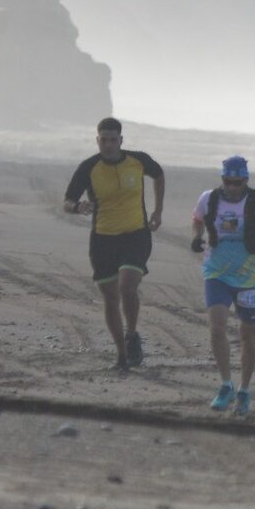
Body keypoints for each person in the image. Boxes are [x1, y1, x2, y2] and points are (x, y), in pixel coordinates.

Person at [63, 116, 165, 371]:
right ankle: (121, 354)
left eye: (113, 140)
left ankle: (132, 335)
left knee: (128, 286)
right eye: (103, 140)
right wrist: (78, 207)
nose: (108, 145)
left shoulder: (138, 160)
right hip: (102, 239)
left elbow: (159, 174)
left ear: (121, 140)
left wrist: (158, 211)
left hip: (135, 234)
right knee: (110, 297)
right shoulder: (88, 167)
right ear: (97, 141)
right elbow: (67, 201)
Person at [193, 156, 255, 418]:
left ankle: (244, 390)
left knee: (248, 336)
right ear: (222, 179)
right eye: (228, 182)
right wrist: (196, 237)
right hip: (217, 275)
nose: (232, 187)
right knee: (217, 329)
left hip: (248, 280)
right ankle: (226, 385)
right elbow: (198, 218)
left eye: (237, 182)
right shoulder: (208, 199)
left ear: (246, 180)